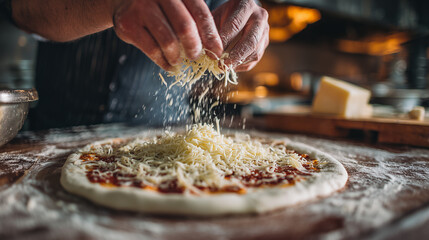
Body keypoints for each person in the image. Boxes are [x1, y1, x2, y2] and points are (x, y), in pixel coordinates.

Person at [2, 0, 269, 129]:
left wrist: (248, 21)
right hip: (54, 130)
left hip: (164, 140)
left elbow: (236, 11)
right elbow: (21, 10)